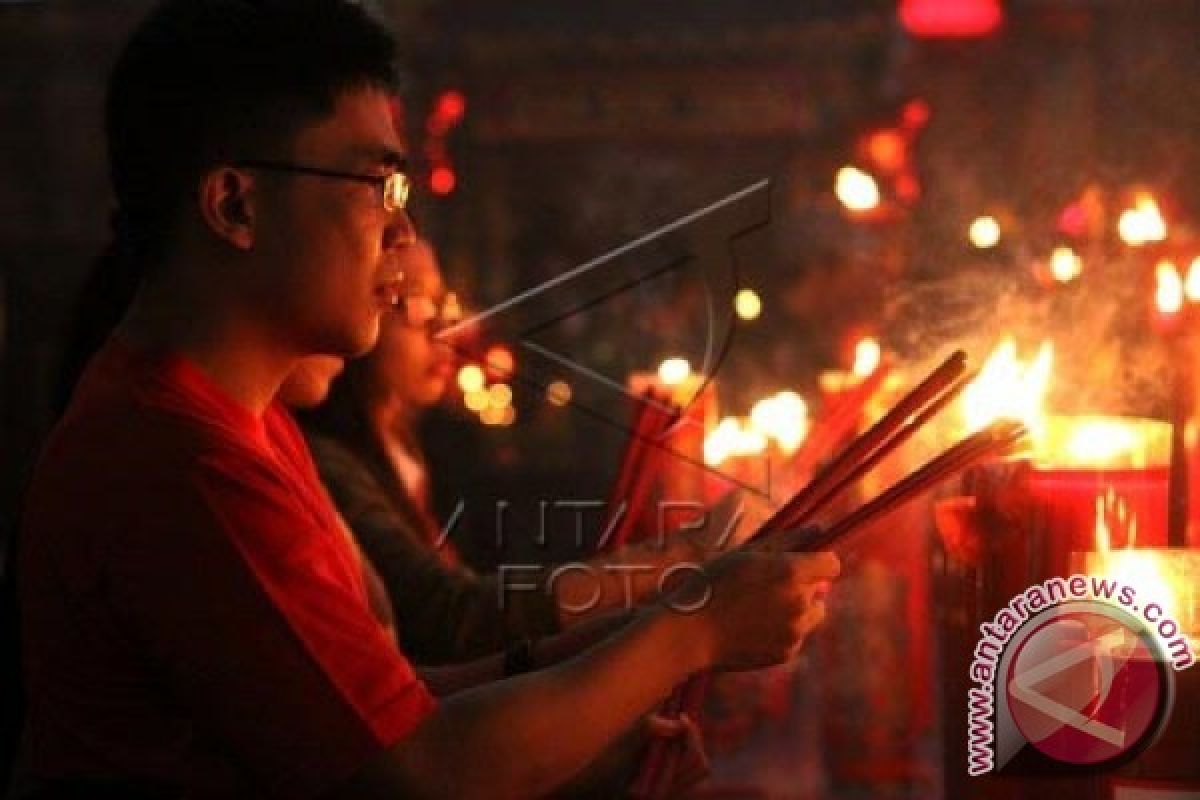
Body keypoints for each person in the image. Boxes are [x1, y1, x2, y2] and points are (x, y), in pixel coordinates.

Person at [14, 2, 839, 797]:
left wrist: (655, 632)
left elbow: (397, 700)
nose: (403, 237)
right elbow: (421, 771)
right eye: (379, 185)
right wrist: (690, 631)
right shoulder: (181, 461)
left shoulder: (250, 420)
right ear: (235, 204)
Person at [297, 240, 763, 664]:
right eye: (416, 304)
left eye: (445, 304)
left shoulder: (432, 444)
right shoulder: (327, 465)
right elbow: (450, 615)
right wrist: (675, 554)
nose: (444, 329)